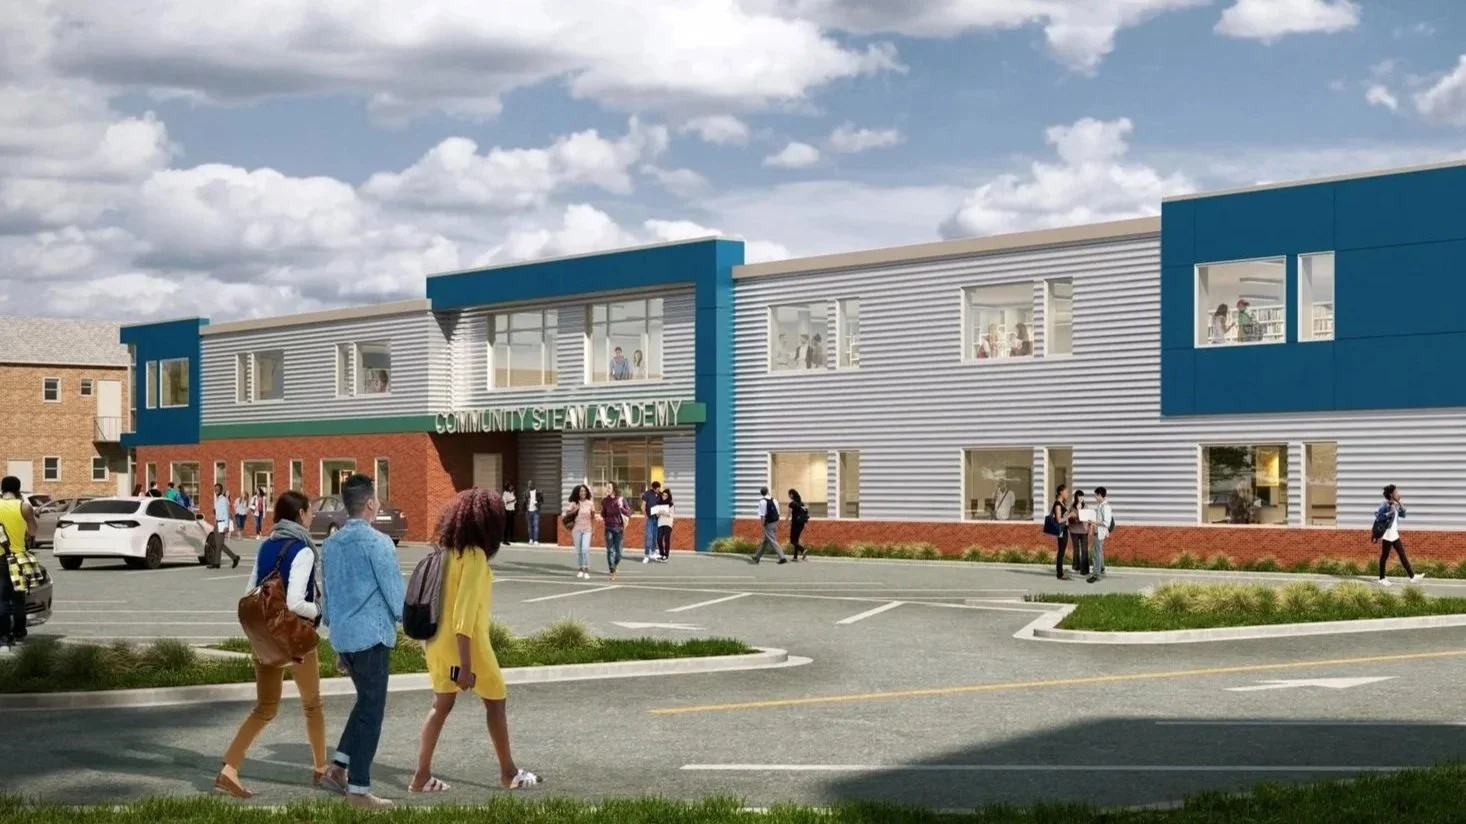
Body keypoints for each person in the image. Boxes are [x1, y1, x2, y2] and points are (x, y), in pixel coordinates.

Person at [410, 488, 541, 794]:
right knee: (496, 701)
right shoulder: (475, 556)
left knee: (440, 705)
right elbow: (464, 613)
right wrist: (467, 665)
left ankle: (421, 776)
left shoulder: (446, 552)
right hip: (467, 645)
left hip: (436, 641)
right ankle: (509, 772)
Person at [215, 491, 325, 798]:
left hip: (265, 640)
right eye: (309, 512)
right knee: (312, 705)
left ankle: (230, 768)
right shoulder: (302, 550)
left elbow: (252, 589)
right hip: (295, 640)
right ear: (300, 514)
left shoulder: (266, 546)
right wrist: (318, 611)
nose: (312, 516)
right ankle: (320, 769)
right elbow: (295, 602)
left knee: (265, 708)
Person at [319, 473, 404, 809]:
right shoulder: (378, 544)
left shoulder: (331, 544)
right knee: (372, 710)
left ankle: (338, 767)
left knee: (365, 702)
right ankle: (358, 790)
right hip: (372, 637)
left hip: (343, 636)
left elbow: (328, 597)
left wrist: (337, 639)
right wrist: (414, 625)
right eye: (378, 498)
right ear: (370, 503)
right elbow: (395, 595)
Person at [0, 476, 39, 651]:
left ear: (2, 489)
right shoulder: (24, 507)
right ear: (18, 489)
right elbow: (32, 531)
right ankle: (19, 632)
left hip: (1, 558)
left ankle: (4, 636)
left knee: (2, 599)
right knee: (19, 598)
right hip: (19, 558)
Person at [1376, 484, 1425, 587]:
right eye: (1396, 492)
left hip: (1394, 534)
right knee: (1384, 556)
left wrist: (1400, 504)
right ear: (1391, 494)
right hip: (1387, 534)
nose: (1398, 494)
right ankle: (1381, 578)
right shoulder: (1385, 504)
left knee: (1402, 555)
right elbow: (1378, 515)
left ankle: (1412, 577)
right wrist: (1389, 513)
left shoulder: (1395, 504)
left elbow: (1403, 515)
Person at [751, 487, 788, 565]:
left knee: (772, 540)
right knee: (766, 540)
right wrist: (777, 523)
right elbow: (778, 513)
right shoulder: (774, 500)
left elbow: (762, 515)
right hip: (775, 521)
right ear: (767, 492)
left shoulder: (762, 502)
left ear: (761, 493)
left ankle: (782, 557)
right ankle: (757, 556)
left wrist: (763, 524)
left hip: (768, 523)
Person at [600, 482, 628, 580]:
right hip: (608, 528)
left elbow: (628, 512)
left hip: (619, 528)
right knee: (610, 550)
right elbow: (603, 514)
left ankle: (615, 564)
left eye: (609, 487)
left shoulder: (621, 499)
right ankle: (612, 570)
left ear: (614, 489)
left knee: (619, 552)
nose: (607, 488)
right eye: (606, 487)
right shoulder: (605, 501)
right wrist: (603, 516)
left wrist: (621, 507)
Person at [564, 485, 593, 579]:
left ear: (587, 492)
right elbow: (567, 514)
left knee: (585, 549)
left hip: (587, 529)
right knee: (579, 551)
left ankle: (586, 569)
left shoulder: (590, 503)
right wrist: (574, 510)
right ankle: (580, 569)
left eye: (584, 491)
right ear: (578, 493)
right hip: (576, 529)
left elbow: (593, 517)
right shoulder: (574, 503)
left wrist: (594, 529)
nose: (583, 493)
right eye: (581, 491)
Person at [211, 484, 241, 569]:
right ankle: (234, 558)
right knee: (219, 544)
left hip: (222, 523)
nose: (216, 490)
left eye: (217, 489)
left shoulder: (224, 500)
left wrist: (226, 525)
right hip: (217, 523)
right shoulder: (217, 500)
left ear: (221, 490)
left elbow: (227, 513)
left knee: (219, 545)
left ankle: (216, 563)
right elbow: (216, 512)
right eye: (215, 488)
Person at [1088, 487, 1112, 584]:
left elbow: (1107, 523)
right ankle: (1101, 568)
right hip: (1097, 532)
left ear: (1099, 495)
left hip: (1100, 533)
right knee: (1099, 552)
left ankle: (1096, 575)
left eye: (1095, 495)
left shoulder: (1106, 507)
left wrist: (1093, 522)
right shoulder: (1100, 506)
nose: (1095, 497)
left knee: (1096, 553)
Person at [1068, 489, 1091, 579]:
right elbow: (1071, 518)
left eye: (1082, 496)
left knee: (1084, 550)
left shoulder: (1085, 506)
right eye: (1079, 496)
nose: (1081, 498)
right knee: (1076, 549)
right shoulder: (1071, 506)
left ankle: (1084, 569)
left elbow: (1084, 518)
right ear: (1076, 497)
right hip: (1074, 530)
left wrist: (1080, 510)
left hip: (1084, 530)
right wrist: (1076, 511)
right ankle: (1076, 566)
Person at [1051, 484, 1071, 581]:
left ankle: (1060, 570)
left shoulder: (1062, 503)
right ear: (1061, 492)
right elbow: (1059, 520)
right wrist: (1069, 515)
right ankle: (1060, 573)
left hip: (1065, 529)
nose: (1068, 494)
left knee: (1062, 551)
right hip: (1061, 530)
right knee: (1061, 551)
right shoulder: (1058, 504)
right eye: (1066, 492)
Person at [651, 489, 675, 561]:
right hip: (660, 523)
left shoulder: (671, 504)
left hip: (668, 523)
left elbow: (671, 514)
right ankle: (662, 554)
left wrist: (663, 512)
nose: (664, 496)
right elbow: (657, 515)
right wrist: (658, 513)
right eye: (663, 495)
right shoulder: (659, 503)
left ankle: (666, 555)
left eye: (666, 495)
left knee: (666, 539)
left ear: (668, 496)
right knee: (659, 539)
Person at [641, 481, 661, 564]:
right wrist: (645, 515)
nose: (659, 490)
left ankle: (653, 553)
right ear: (653, 488)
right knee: (649, 536)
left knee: (655, 537)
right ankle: (646, 555)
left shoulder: (660, 495)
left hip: (657, 519)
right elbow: (643, 506)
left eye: (659, 488)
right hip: (650, 518)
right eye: (658, 488)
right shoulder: (647, 494)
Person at [788, 489, 809, 562]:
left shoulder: (792, 504)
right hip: (801, 524)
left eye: (789, 494)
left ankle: (803, 549)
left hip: (795, 524)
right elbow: (806, 513)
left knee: (792, 540)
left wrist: (786, 521)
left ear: (792, 494)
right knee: (796, 540)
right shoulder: (802, 503)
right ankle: (795, 557)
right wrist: (806, 522)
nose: (789, 496)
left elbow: (789, 514)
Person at [524, 481, 541, 545]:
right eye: (528, 484)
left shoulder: (538, 492)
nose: (529, 485)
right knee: (529, 526)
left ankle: (536, 540)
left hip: (536, 511)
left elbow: (541, 501)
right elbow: (524, 501)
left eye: (530, 484)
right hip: (528, 511)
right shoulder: (526, 492)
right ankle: (530, 539)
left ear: (533, 484)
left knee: (536, 526)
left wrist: (537, 504)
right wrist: (526, 506)